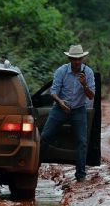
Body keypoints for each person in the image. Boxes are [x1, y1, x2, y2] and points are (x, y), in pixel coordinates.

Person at [40, 44, 95, 182]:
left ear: (82, 58)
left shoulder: (88, 72)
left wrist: (84, 84)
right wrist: (60, 102)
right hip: (60, 107)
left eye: (79, 59)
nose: (77, 62)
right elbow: (54, 92)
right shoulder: (61, 71)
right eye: (74, 59)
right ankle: (35, 165)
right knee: (45, 136)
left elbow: (91, 96)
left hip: (79, 109)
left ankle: (80, 175)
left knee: (81, 142)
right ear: (70, 59)